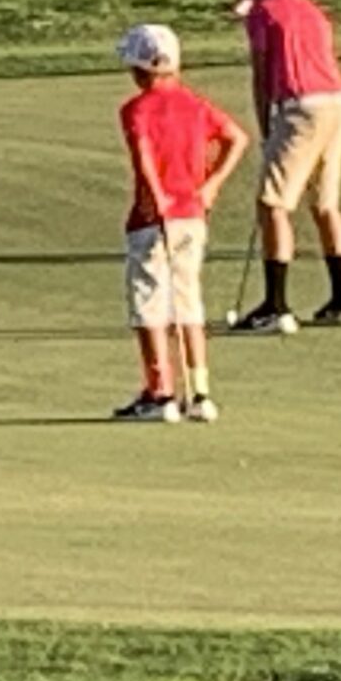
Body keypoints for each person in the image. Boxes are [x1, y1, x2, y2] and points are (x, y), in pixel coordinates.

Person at [112, 23, 250, 424]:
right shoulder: (195, 104)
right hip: (192, 214)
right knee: (188, 300)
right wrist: (210, 188)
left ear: (142, 69)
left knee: (149, 303)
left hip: (154, 219)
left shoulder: (135, 109)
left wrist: (155, 200)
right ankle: (201, 393)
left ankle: (160, 394)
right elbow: (236, 139)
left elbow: (144, 158)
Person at [230, 0, 341, 333]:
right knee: (325, 204)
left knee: (272, 204)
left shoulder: (262, 11)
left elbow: (260, 74)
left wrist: (265, 128)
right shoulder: (311, 8)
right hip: (337, 102)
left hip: (300, 106)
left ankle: (276, 307)